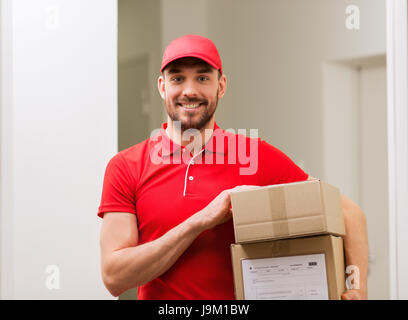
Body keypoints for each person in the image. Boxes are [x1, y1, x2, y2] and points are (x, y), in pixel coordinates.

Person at [98, 34, 368, 300]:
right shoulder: (126, 166)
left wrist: (356, 286)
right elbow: (115, 278)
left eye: (202, 78)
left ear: (221, 85)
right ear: (162, 86)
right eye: (177, 78)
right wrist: (199, 221)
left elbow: (348, 213)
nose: (189, 90)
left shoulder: (254, 156)